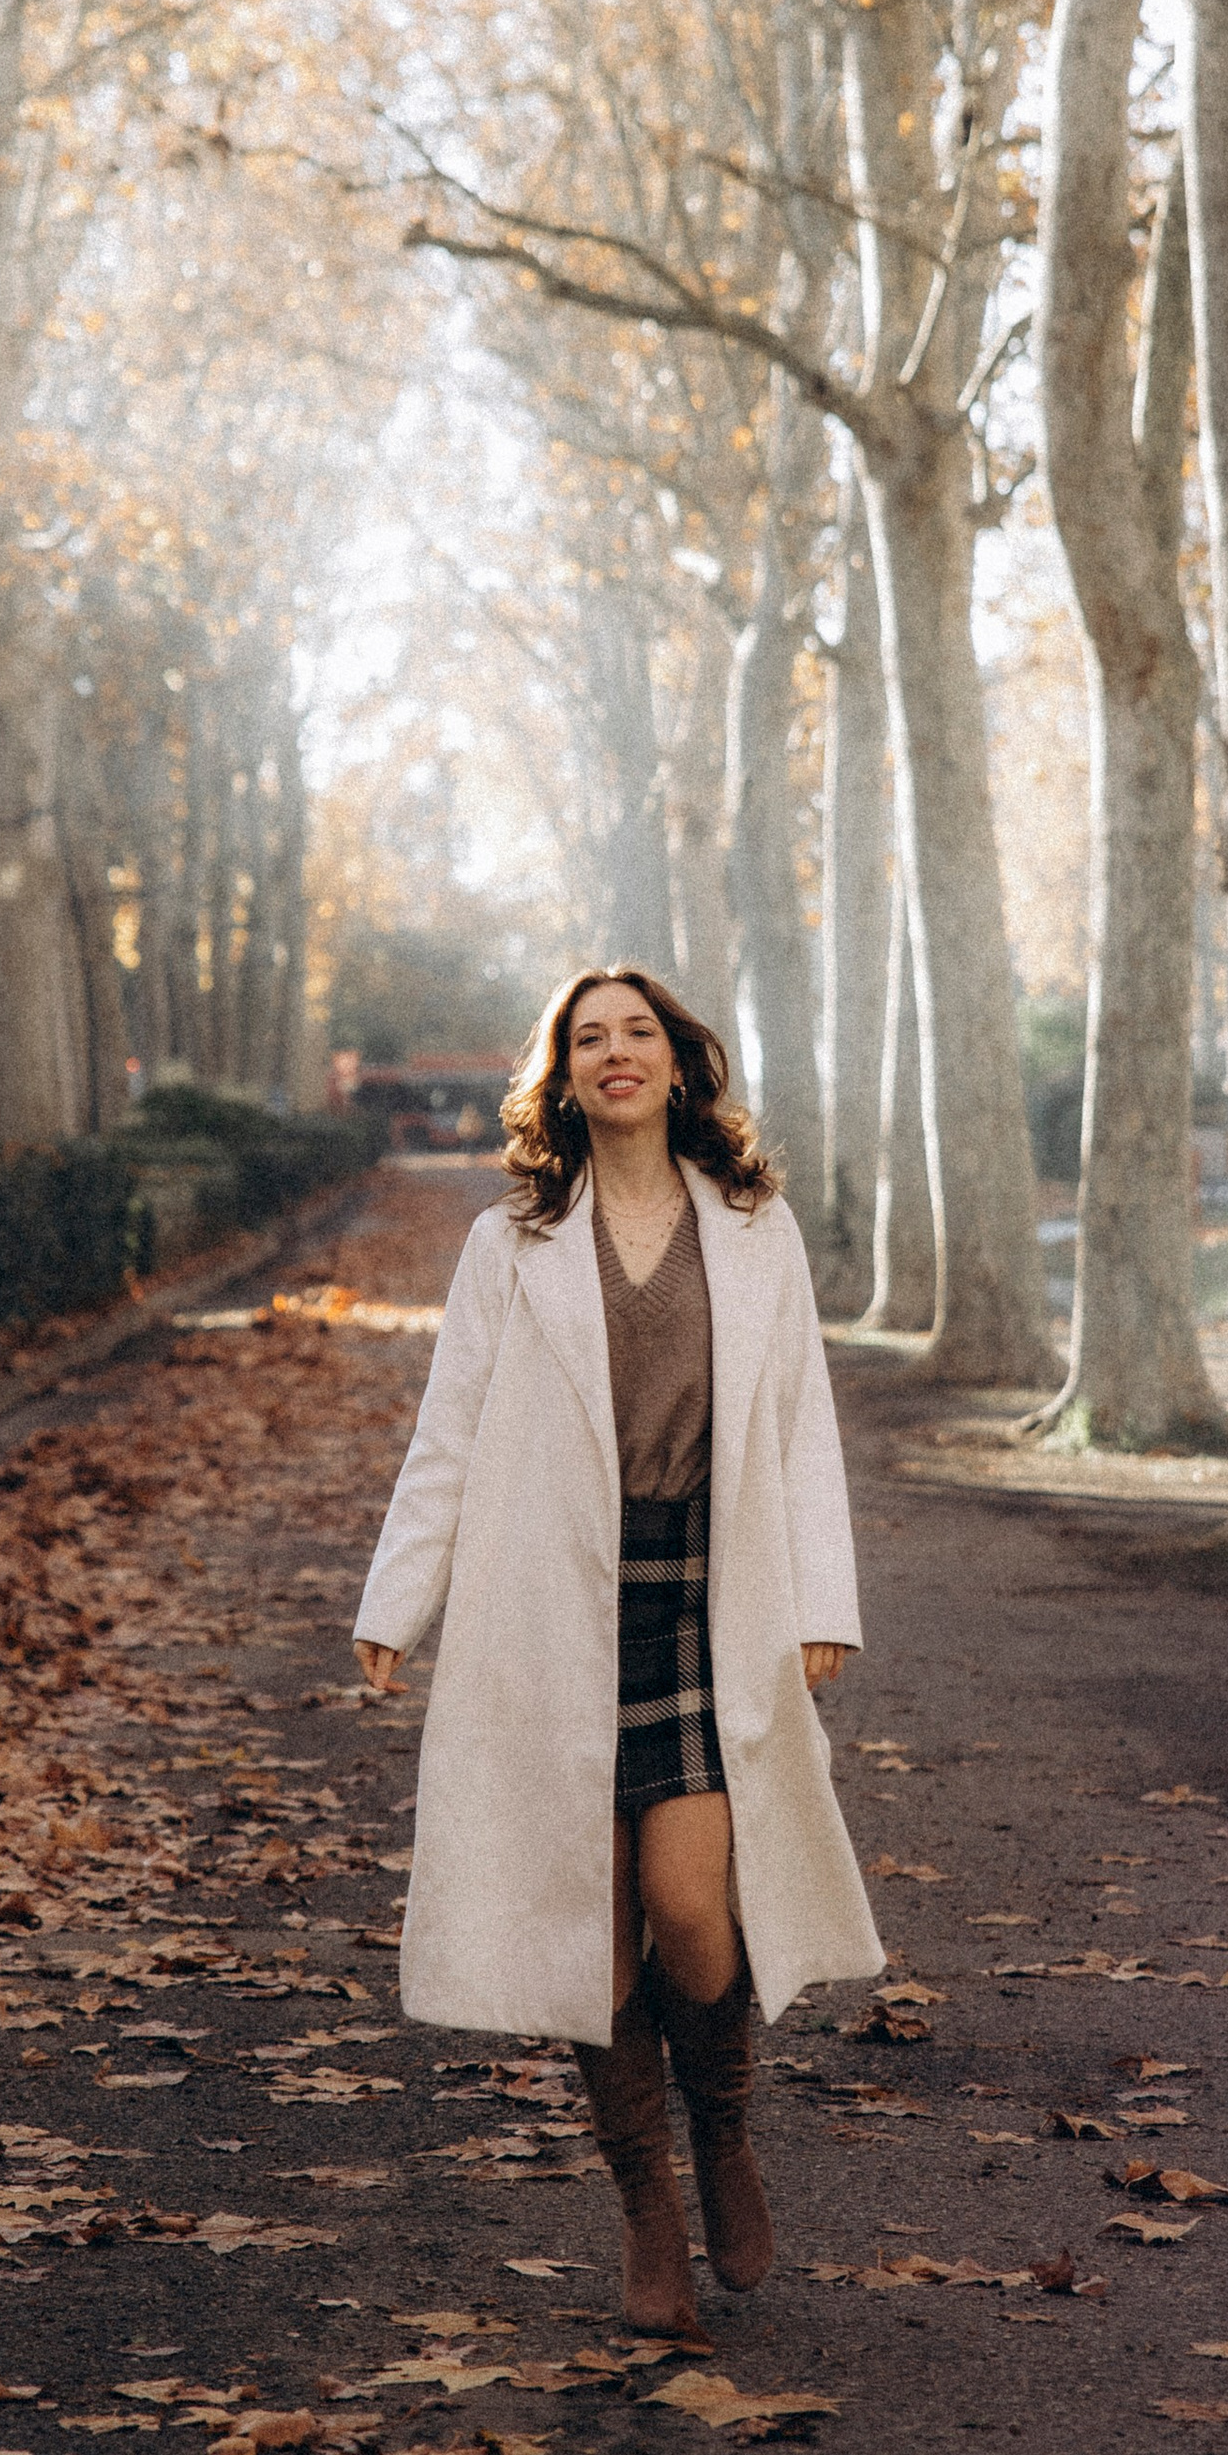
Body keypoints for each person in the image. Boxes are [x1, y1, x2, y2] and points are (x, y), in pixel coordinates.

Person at [353, 966, 881, 2339]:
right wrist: (394, 1604)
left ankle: (726, 2132)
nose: (615, 1053)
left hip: (709, 1601)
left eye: (637, 1031)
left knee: (694, 1908)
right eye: (588, 1039)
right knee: (591, 1939)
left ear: (680, 1061)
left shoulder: (757, 1230)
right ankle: (647, 2206)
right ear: (564, 1076)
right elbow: (451, 1432)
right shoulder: (511, 1240)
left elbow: (801, 1425)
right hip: (550, 1609)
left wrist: (827, 1593)